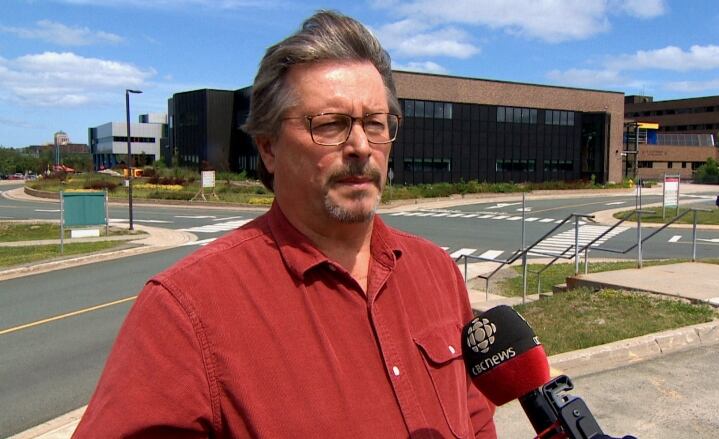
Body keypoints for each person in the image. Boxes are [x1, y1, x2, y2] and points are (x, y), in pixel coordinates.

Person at [74, 10, 496, 438]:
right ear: (268, 148)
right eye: (330, 124)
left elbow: (475, 416)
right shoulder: (186, 310)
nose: (361, 146)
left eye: (375, 123)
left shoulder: (436, 271)